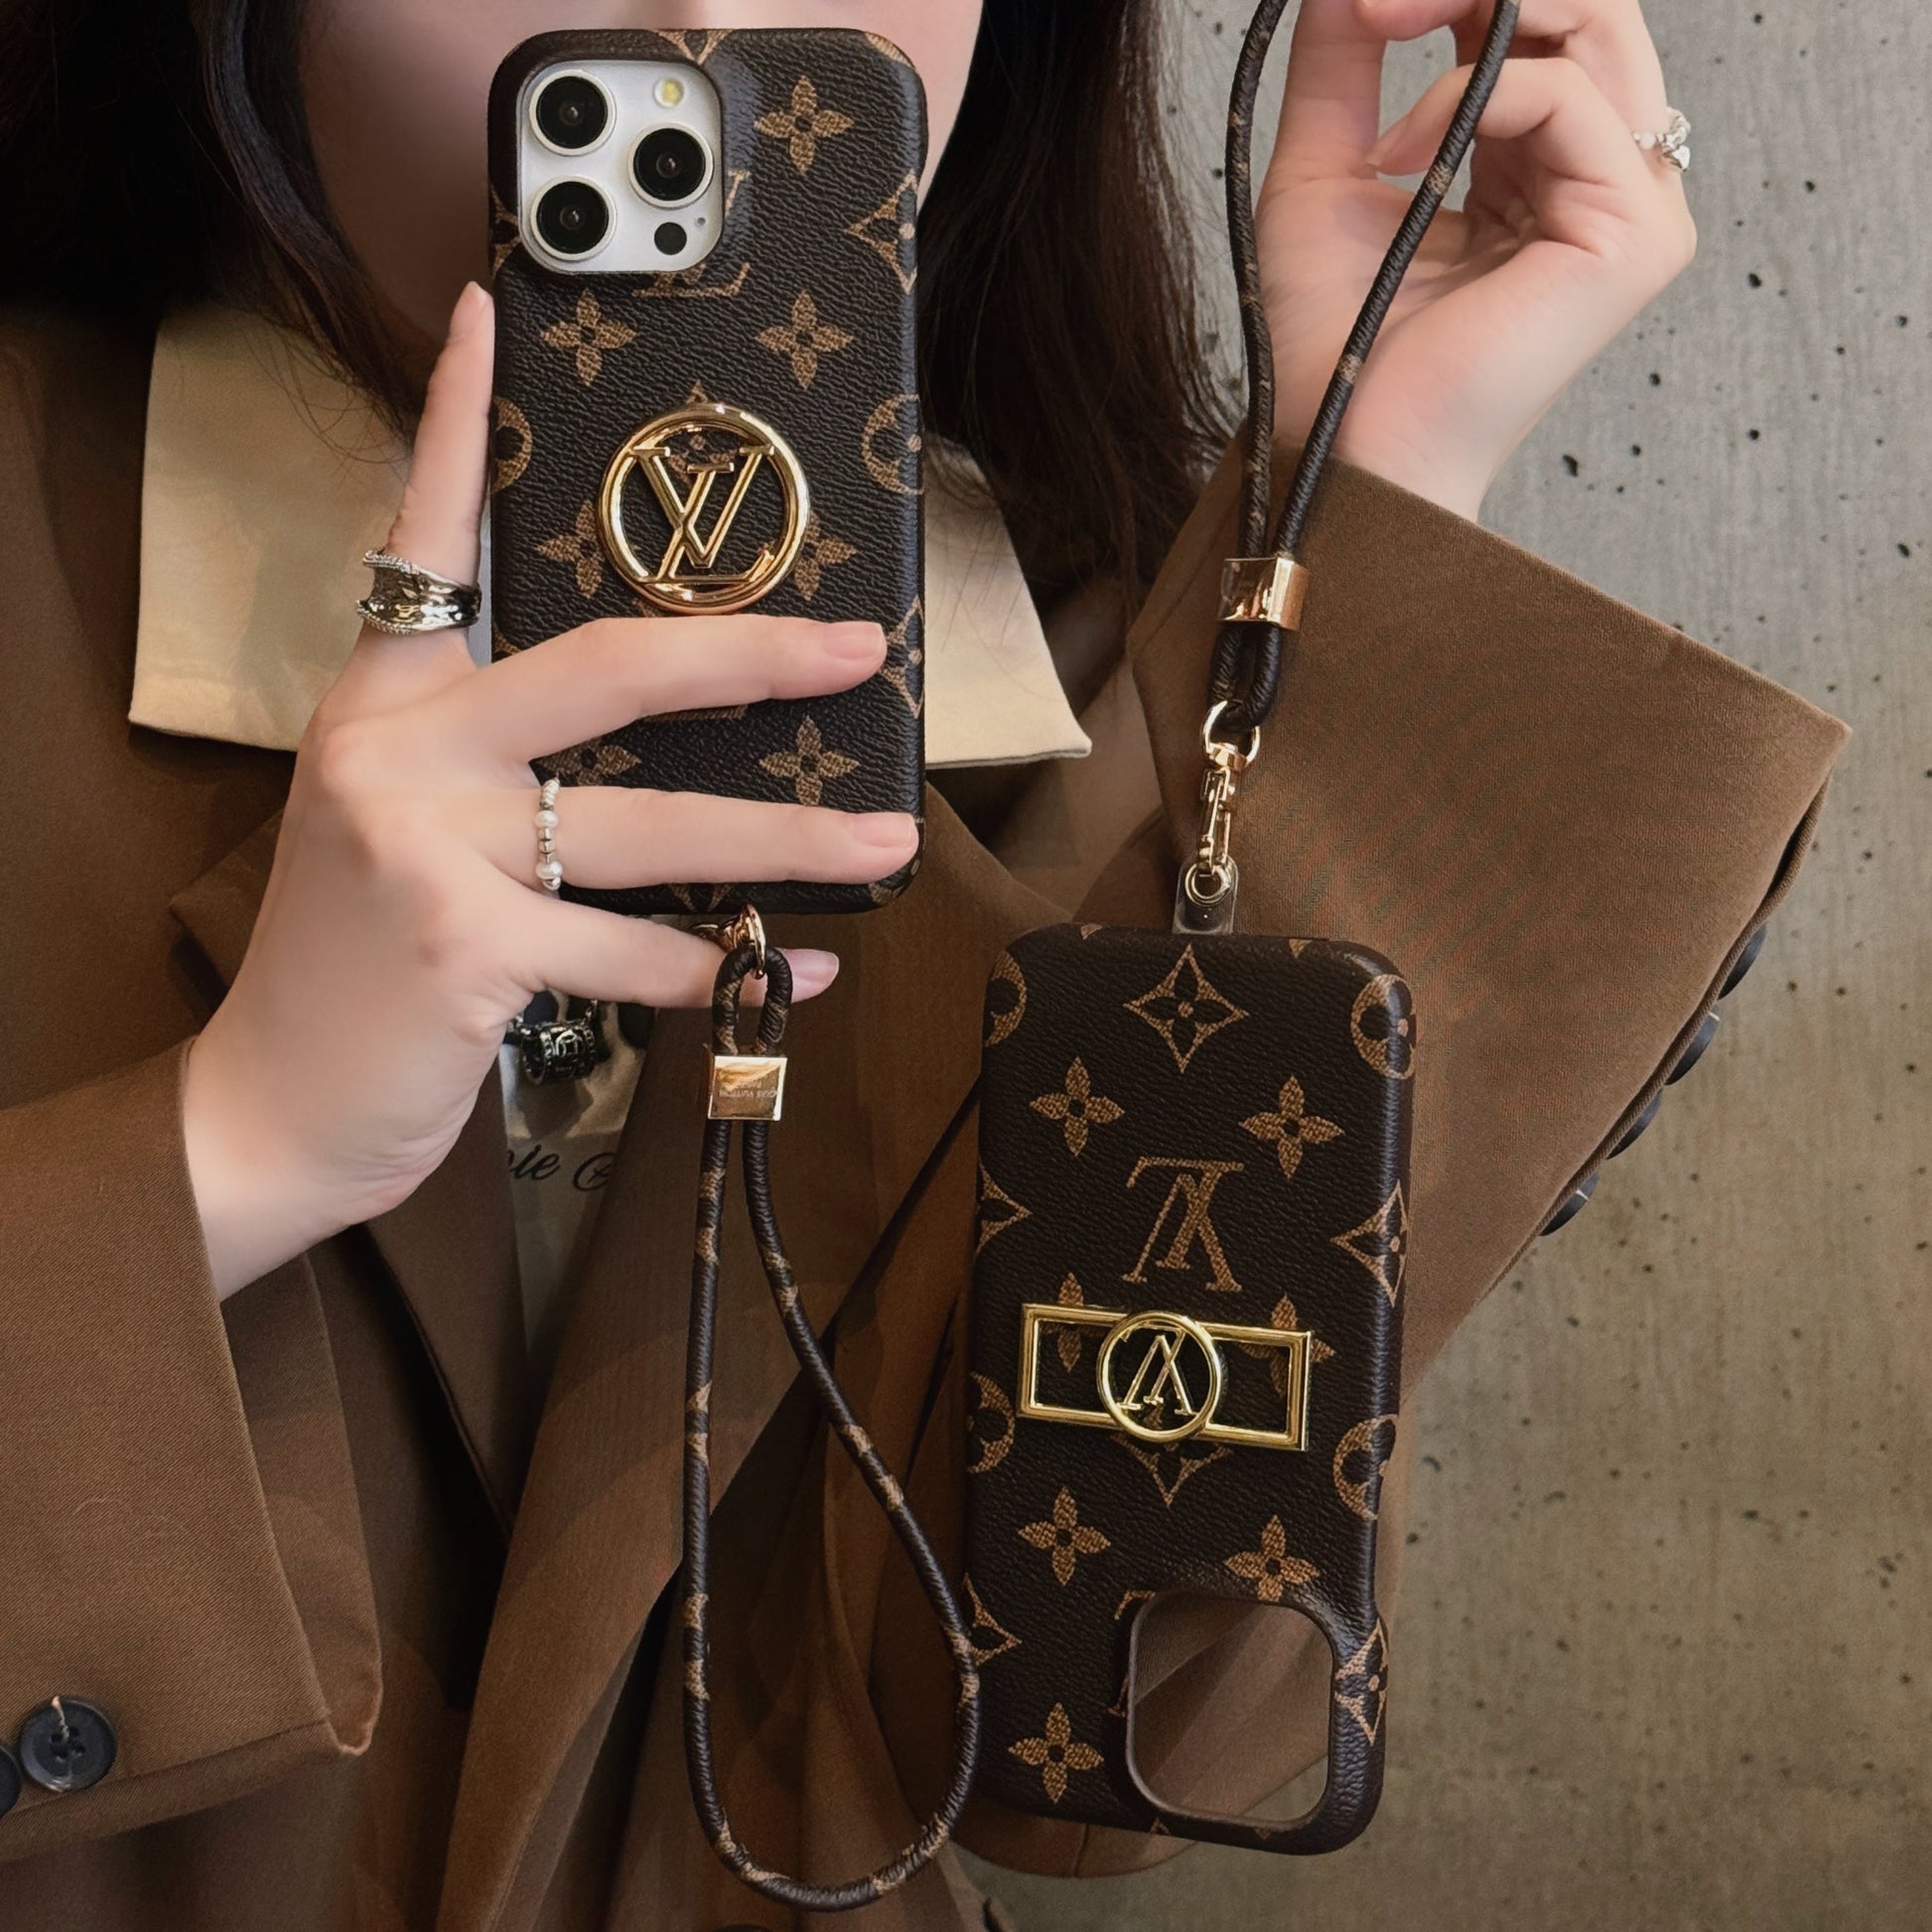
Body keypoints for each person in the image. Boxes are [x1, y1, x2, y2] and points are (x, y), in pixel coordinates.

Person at [0, 1, 1846, 1926]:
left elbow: (1096, 1735)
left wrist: (1359, 503)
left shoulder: (1075, 685)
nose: (706, 22)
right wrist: (222, 1154)